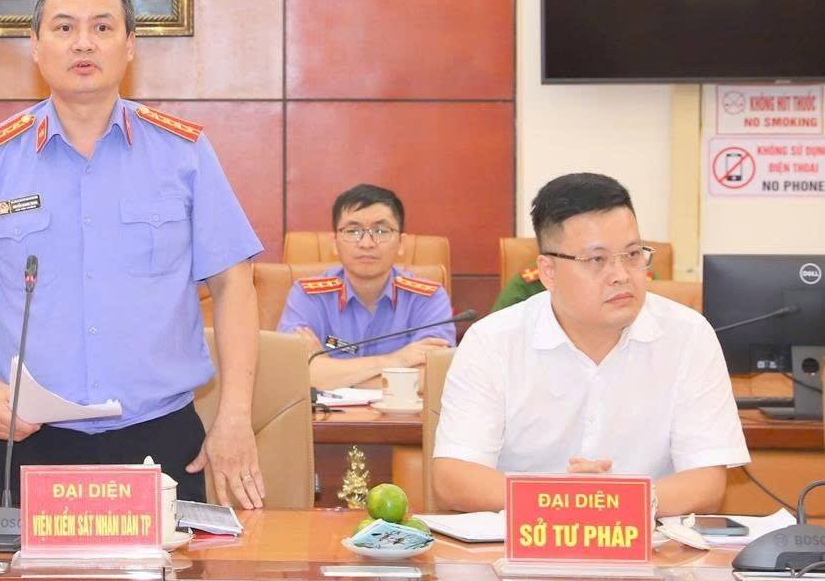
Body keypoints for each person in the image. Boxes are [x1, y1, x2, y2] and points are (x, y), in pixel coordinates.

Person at [0, 0, 265, 509]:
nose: (83, 42)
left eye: (102, 27)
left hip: (160, 437)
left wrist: (235, 417)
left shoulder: (183, 153)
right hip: (31, 440)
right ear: (36, 46)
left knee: (168, 571)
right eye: (64, 27)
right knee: (31, 572)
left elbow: (234, 285)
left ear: (130, 46)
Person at [433, 173, 748, 516]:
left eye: (632, 254)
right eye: (597, 260)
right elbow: (454, 478)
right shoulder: (492, 341)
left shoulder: (688, 336)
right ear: (548, 272)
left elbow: (706, 482)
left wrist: (615, 501)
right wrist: (568, 499)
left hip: (650, 541)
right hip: (522, 540)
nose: (622, 275)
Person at [277, 184, 455, 391]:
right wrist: (398, 360)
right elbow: (296, 372)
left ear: (401, 243)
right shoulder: (307, 295)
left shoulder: (429, 298)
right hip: (324, 413)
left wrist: (330, 375)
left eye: (380, 231)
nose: (366, 243)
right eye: (353, 231)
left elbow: (430, 378)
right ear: (334, 243)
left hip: (404, 413)